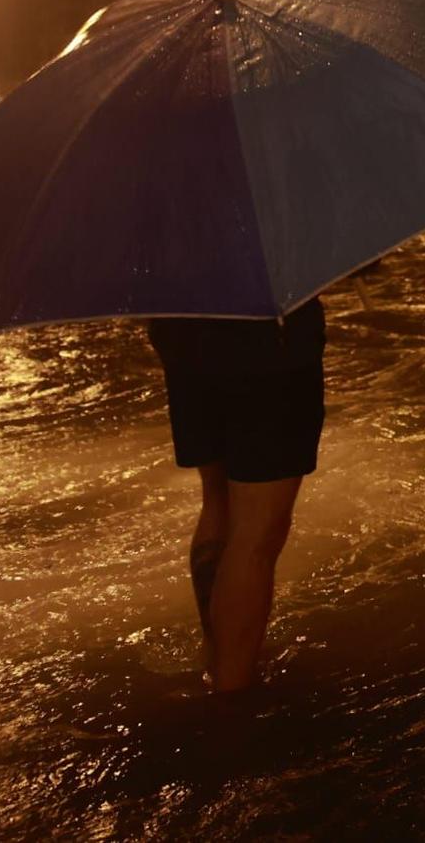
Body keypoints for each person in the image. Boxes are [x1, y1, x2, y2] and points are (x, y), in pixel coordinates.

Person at [146, 297, 326, 694]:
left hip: (182, 333)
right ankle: (232, 690)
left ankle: (217, 652)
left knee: (218, 499)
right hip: (270, 349)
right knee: (256, 535)